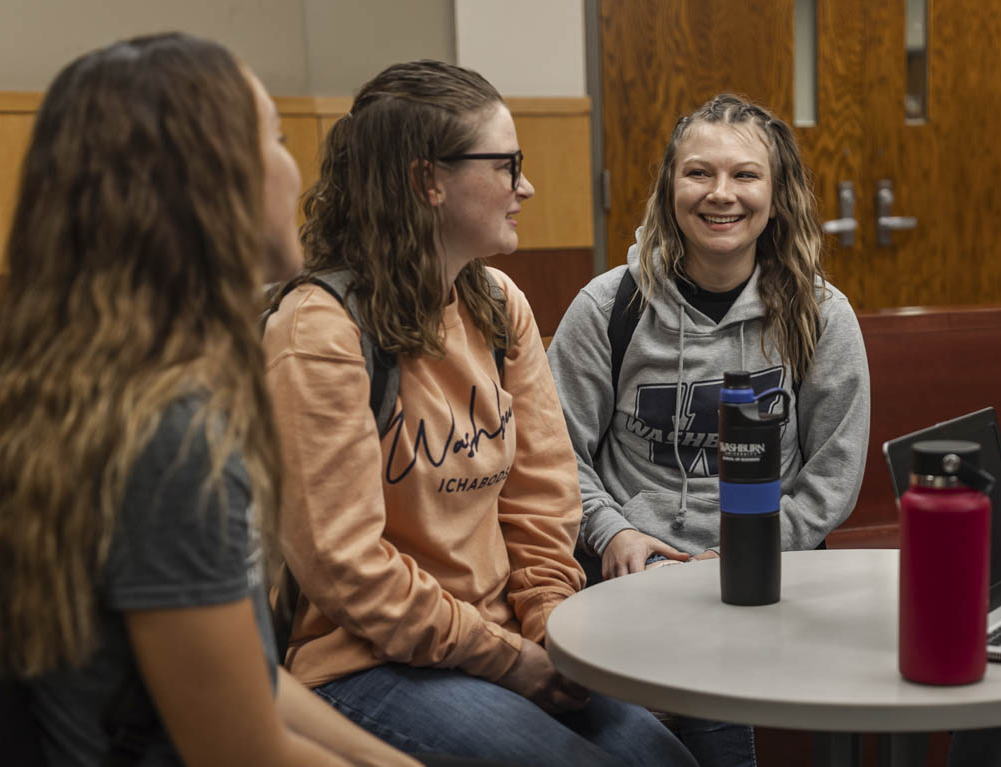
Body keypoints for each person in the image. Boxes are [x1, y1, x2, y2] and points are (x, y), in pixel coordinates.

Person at [0, 33, 424, 766]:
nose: (292, 163)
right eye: (273, 135)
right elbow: (241, 752)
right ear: (214, 181)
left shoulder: (84, 392)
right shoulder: (168, 439)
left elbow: (248, 681)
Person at [262, 60, 694, 767]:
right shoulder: (320, 330)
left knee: (662, 756)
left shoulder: (496, 302)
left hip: (507, 637)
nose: (524, 186)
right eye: (506, 165)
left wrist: (550, 629)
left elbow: (541, 500)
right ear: (428, 180)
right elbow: (346, 569)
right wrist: (508, 660)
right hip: (366, 663)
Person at [544, 93, 871, 767]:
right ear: (670, 189)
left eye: (745, 175)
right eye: (699, 173)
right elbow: (554, 453)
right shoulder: (607, 307)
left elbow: (831, 476)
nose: (721, 194)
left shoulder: (821, 315)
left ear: (777, 197)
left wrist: (754, 549)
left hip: (761, 579)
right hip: (630, 573)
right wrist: (616, 532)